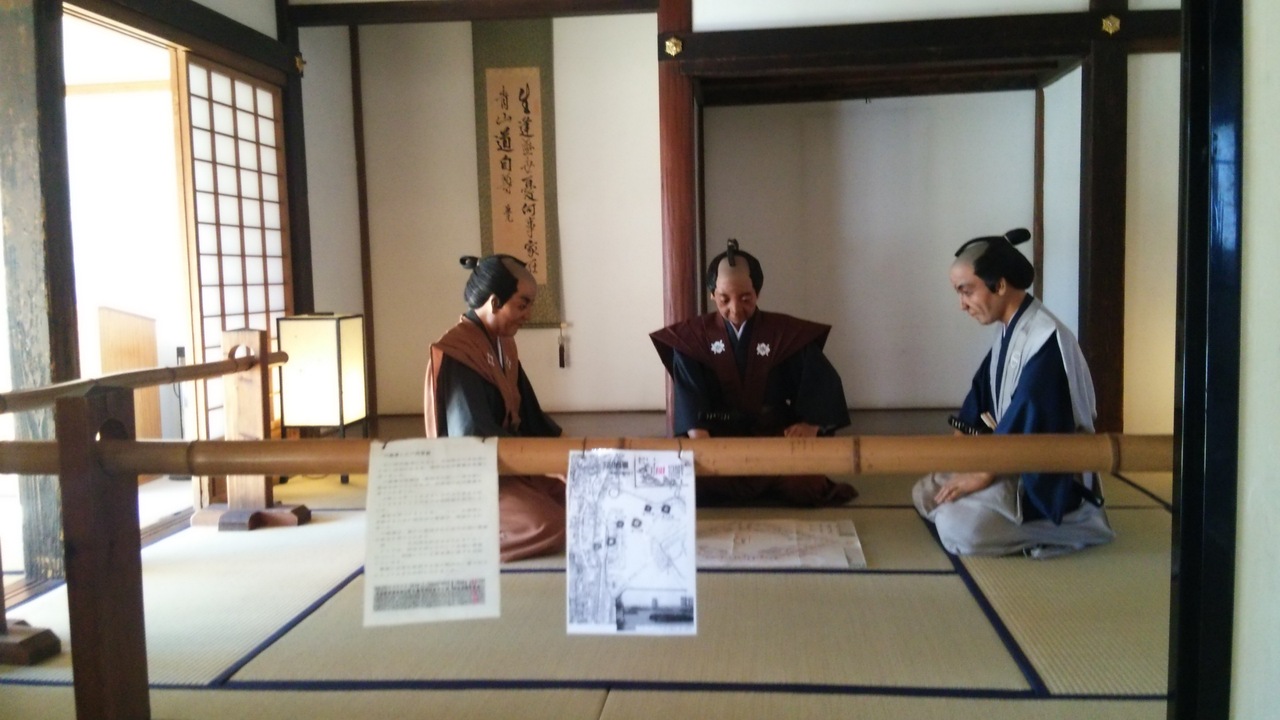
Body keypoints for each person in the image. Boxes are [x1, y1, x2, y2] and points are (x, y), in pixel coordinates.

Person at [913, 228, 1115, 558]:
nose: (962, 305)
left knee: (955, 525)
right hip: (1008, 458)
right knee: (926, 492)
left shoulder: (1046, 339)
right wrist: (960, 458)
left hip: (1047, 476)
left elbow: (1033, 415)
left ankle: (1079, 523)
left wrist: (982, 473)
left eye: (967, 291)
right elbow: (979, 396)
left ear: (1001, 285)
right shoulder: (1011, 329)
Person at [649, 239, 855, 506]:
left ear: (757, 292)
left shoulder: (782, 333)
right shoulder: (693, 338)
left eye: (745, 298)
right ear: (712, 294)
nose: (735, 309)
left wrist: (810, 425)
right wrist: (702, 442)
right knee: (685, 482)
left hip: (773, 436)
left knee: (806, 485)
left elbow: (820, 382)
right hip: (717, 436)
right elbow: (689, 396)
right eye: (724, 299)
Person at [424, 254, 565, 562]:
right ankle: (451, 538)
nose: (528, 315)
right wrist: (542, 464)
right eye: (523, 305)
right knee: (549, 524)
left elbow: (531, 417)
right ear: (494, 301)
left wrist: (567, 458)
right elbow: (473, 439)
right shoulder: (458, 352)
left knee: (579, 498)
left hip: (511, 465)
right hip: (478, 475)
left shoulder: (504, 344)